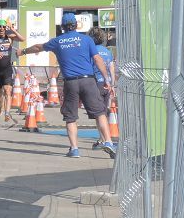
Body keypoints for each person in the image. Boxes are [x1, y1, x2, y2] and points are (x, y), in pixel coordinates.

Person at [19, 13, 115, 158]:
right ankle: (108, 141)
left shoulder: (57, 41)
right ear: (76, 25)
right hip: (88, 80)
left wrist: (23, 51)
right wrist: (107, 79)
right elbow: (97, 59)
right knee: (100, 113)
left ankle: (74, 149)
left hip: (70, 82)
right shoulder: (87, 40)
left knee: (71, 117)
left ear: (62, 27)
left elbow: (39, 47)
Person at [89, 27, 117, 149]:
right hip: (107, 84)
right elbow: (112, 69)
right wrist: (113, 85)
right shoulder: (108, 52)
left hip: (96, 83)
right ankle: (103, 139)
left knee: (98, 114)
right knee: (103, 111)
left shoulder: (92, 51)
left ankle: (104, 139)